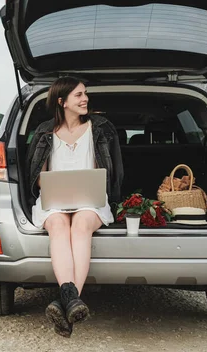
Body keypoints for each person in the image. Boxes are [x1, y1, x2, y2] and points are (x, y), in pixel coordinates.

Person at [26, 76, 123, 337]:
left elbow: (113, 171)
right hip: (54, 202)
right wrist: (48, 185)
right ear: (62, 102)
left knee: (80, 225)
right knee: (58, 225)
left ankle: (66, 300)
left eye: (85, 94)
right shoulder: (45, 132)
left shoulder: (100, 128)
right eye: (79, 95)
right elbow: (36, 176)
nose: (85, 99)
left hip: (90, 201)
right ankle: (72, 302)